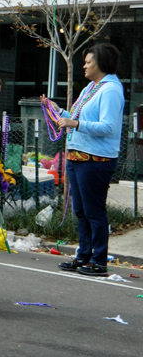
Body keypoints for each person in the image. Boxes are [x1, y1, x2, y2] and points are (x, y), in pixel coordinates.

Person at [42, 43, 124, 278]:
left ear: (102, 63)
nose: (84, 66)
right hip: (77, 156)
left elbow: (108, 127)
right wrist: (59, 112)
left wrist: (75, 123)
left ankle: (99, 260)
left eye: (89, 62)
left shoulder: (110, 90)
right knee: (80, 211)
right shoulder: (91, 87)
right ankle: (83, 255)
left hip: (96, 160)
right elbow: (76, 117)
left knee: (94, 211)